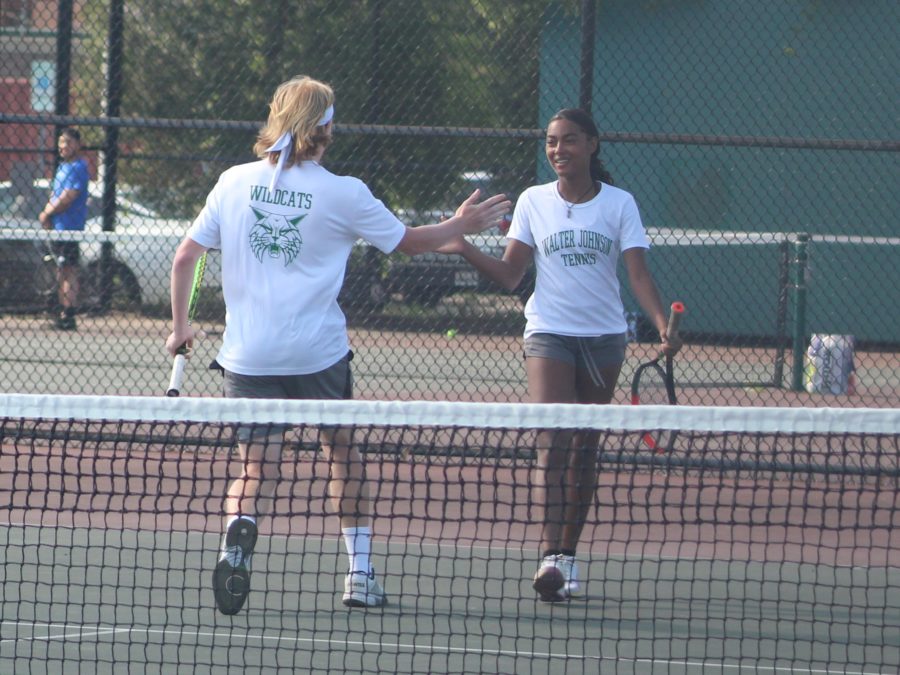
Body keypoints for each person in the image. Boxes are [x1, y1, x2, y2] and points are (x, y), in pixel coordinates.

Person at [165, 75, 510, 614]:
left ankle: (239, 536)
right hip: (319, 354)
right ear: (325, 128)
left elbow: (186, 257)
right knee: (343, 454)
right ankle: (359, 574)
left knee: (256, 469)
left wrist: (181, 326)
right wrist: (459, 223)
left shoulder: (232, 182)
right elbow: (410, 244)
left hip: (248, 357)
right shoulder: (344, 192)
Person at [435, 108, 681, 602]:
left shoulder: (619, 204)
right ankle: (550, 556)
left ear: (592, 145)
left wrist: (660, 324)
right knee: (552, 440)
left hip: (605, 338)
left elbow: (637, 276)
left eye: (569, 140)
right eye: (551, 142)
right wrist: (463, 247)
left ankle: (569, 557)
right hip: (548, 332)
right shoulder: (533, 201)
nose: (558, 150)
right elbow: (509, 275)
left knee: (585, 447)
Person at [39, 127, 90, 330]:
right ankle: (61, 310)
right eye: (61, 142)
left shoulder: (79, 167)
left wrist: (47, 213)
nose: (63, 146)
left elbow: (68, 196)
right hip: (58, 228)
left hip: (70, 228)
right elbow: (55, 194)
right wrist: (49, 214)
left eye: (68, 142)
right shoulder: (62, 167)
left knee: (68, 269)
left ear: (77, 144)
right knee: (61, 269)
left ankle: (68, 314)